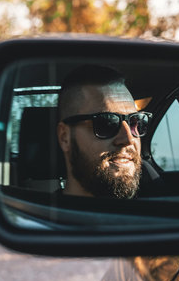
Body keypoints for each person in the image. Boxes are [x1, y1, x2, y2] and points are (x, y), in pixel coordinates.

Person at [56, 65, 150, 199]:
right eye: (107, 123)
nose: (128, 139)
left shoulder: (155, 209)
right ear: (65, 137)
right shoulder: (41, 216)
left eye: (134, 122)